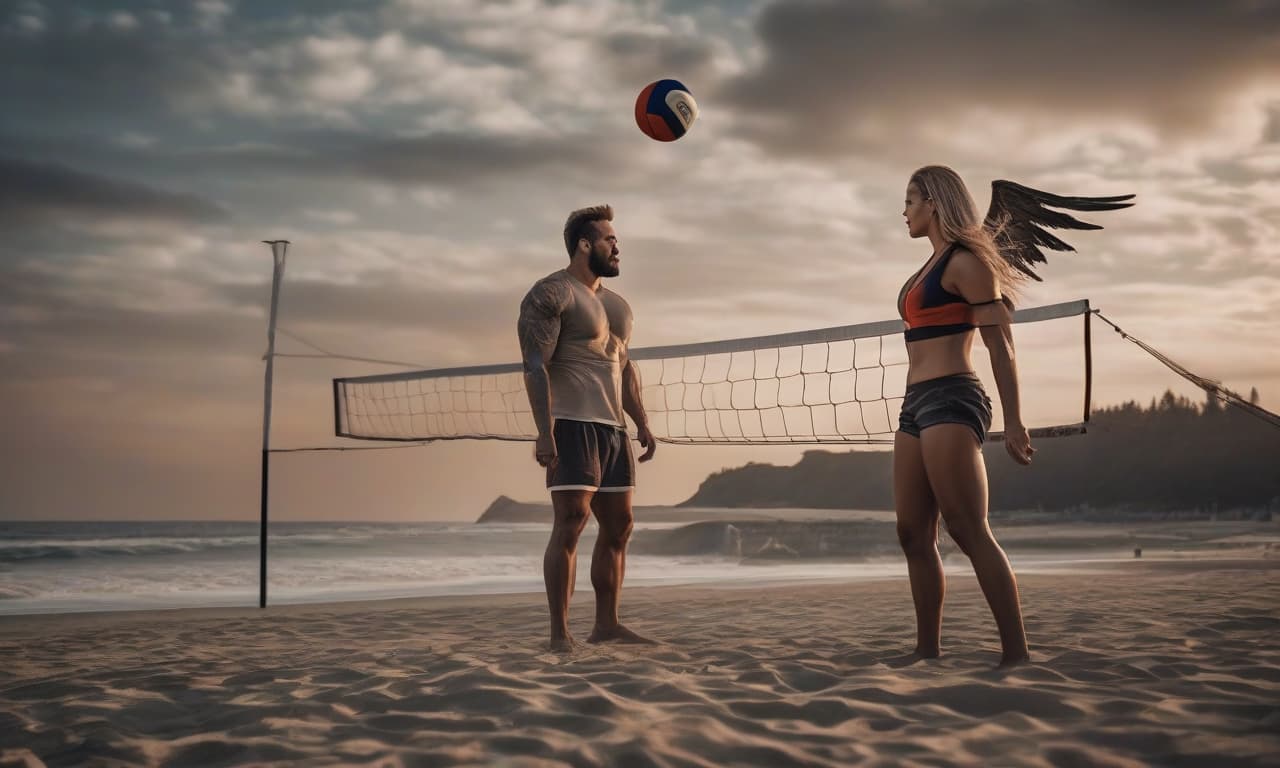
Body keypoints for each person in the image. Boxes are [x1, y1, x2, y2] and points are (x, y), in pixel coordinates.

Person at [895, 165, 1034, 667]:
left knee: (967, 527)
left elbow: (1002, 346)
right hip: (914, 403)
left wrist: (1014, 422)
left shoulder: (968, 262)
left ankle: (1016, 654)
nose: (903, 211)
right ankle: (927, 650)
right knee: (912, 532)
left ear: (933, 202)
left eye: (910, 201)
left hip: (953, 397)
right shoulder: (928, 266)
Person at [517, 204, 657, 652]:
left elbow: (626, 366)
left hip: (613, 431)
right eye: (609, 240)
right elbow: (535, 366)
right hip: (573, 425)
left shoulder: (618, 306)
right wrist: (545, 431)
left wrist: (642, 422)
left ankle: (607, 626)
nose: (617, 247)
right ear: (584, 244)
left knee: (620, 528)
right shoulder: (551, 293)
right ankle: (560, 635)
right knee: (571, 522)